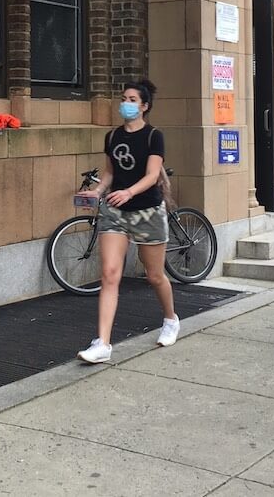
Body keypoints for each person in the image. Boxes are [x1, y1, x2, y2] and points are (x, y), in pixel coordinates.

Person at [76, 80, 179, 364]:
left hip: (147, 211)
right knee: (110, 274)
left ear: (144, 106)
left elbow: (152, 174)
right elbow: (110, 172)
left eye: (132, 100)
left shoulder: (153, 136)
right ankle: (103, 343)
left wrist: (130, 192)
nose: (126, 104)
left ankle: (170, 319)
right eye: (124, 98)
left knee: (154, 275)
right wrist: (98, 190)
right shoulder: (112, 136)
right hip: (115, 211)